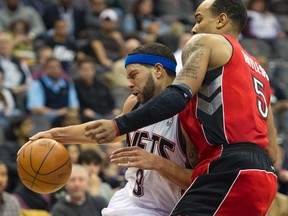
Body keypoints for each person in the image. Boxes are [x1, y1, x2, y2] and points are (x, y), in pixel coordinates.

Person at [82, 0, 280, 215]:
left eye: (199, 19)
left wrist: (119, 125)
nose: (194, 28)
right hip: (264, 177)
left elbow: (177, 96)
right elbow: (274, 153)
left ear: (221, 20)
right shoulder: (260, 72)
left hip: (229, 167)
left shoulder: (206, 41)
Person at [25, 43, 196, 216]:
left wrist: (158, 163)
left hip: (170, 210)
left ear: (158, 70)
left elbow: (200, 181)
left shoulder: (188, 115)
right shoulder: (133, 103)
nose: (129, 84)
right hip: (130, 202)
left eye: (134, 75)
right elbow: (106, 132)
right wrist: (54, 135)